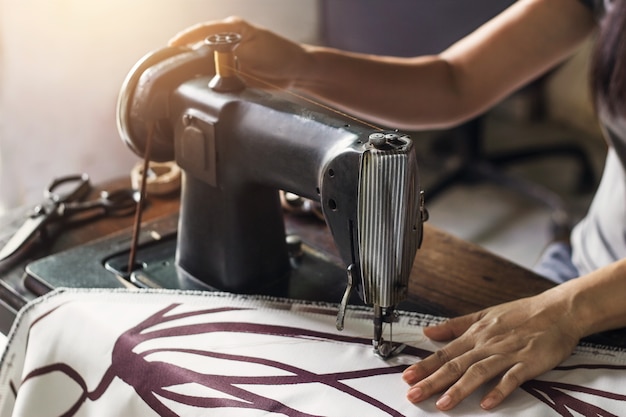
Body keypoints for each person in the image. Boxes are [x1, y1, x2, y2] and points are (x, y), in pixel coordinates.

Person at [168, 0, 626, 411]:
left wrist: (567, 311)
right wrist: (300, 65)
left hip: (581, 302)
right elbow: (455, 82)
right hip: (581, 268)